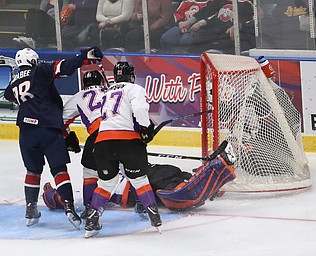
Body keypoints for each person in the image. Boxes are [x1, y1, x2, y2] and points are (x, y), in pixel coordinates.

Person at [3, 46, 104, 229]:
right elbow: (63, 67)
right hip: (48, 128)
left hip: (26, 132)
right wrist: (84, 57)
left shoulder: (12, 84)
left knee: (32, 171)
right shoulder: (40, 70)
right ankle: (69, 208)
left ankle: (30, 209)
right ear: (34, 61)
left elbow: (10, 96)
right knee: (59, 169)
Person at [43, 140, 237, 212]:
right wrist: (50, 193)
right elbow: (60, 201)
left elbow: (62, 201)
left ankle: (207, 176)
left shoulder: (101, 179)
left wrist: (52, 195)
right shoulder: (101, 185)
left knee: (171, 181)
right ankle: (212, 170)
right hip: (142, 184)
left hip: (145, 179)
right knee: (175, 192)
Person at [83, 61, 160, 238]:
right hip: (128, 141)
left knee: (106, 183)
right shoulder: (134, 89)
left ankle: (93, 219)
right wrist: (146, 129)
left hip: (102, 142)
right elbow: (140, 109)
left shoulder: (106, 92)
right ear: (131, 75)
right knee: (139, 179)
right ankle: (153, 213)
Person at [62, 70, 107, 219]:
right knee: (130, 170)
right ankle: (142, 203)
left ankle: (89, 207)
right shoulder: (112, 91)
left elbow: (61, 121)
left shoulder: (78, 96)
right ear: (101, 82)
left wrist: (68, 137)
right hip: (122, 131)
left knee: (90, 170)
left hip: (97, 135)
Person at [160, 0, 255, 54]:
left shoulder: (247, 4)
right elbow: (207, 11)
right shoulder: (219, 1)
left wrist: (238, 26)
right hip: (203, 26)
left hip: (216, 32)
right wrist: (188, 22)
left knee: (186, 39)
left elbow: (249, 20)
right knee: (167, 38)